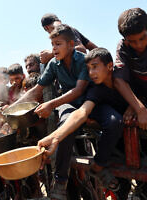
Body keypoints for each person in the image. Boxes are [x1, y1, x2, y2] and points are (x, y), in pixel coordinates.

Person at [38, 47, 127, 195]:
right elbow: (82, 112)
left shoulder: (123, 75)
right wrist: (55, 136)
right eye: (88, 69)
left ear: (110, 66)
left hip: (136, 134)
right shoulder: (95, 90)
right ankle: (97, 168)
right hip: (115, 141)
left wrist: (132, 107)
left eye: (95, 67)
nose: (91, 73)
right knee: (113, 122)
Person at [113, 8, 147, 130]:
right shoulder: (123, 47)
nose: (139, 45)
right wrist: (139, 107)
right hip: (137, 94)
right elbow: (118, 80)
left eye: (143, 38)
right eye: (132, 41)